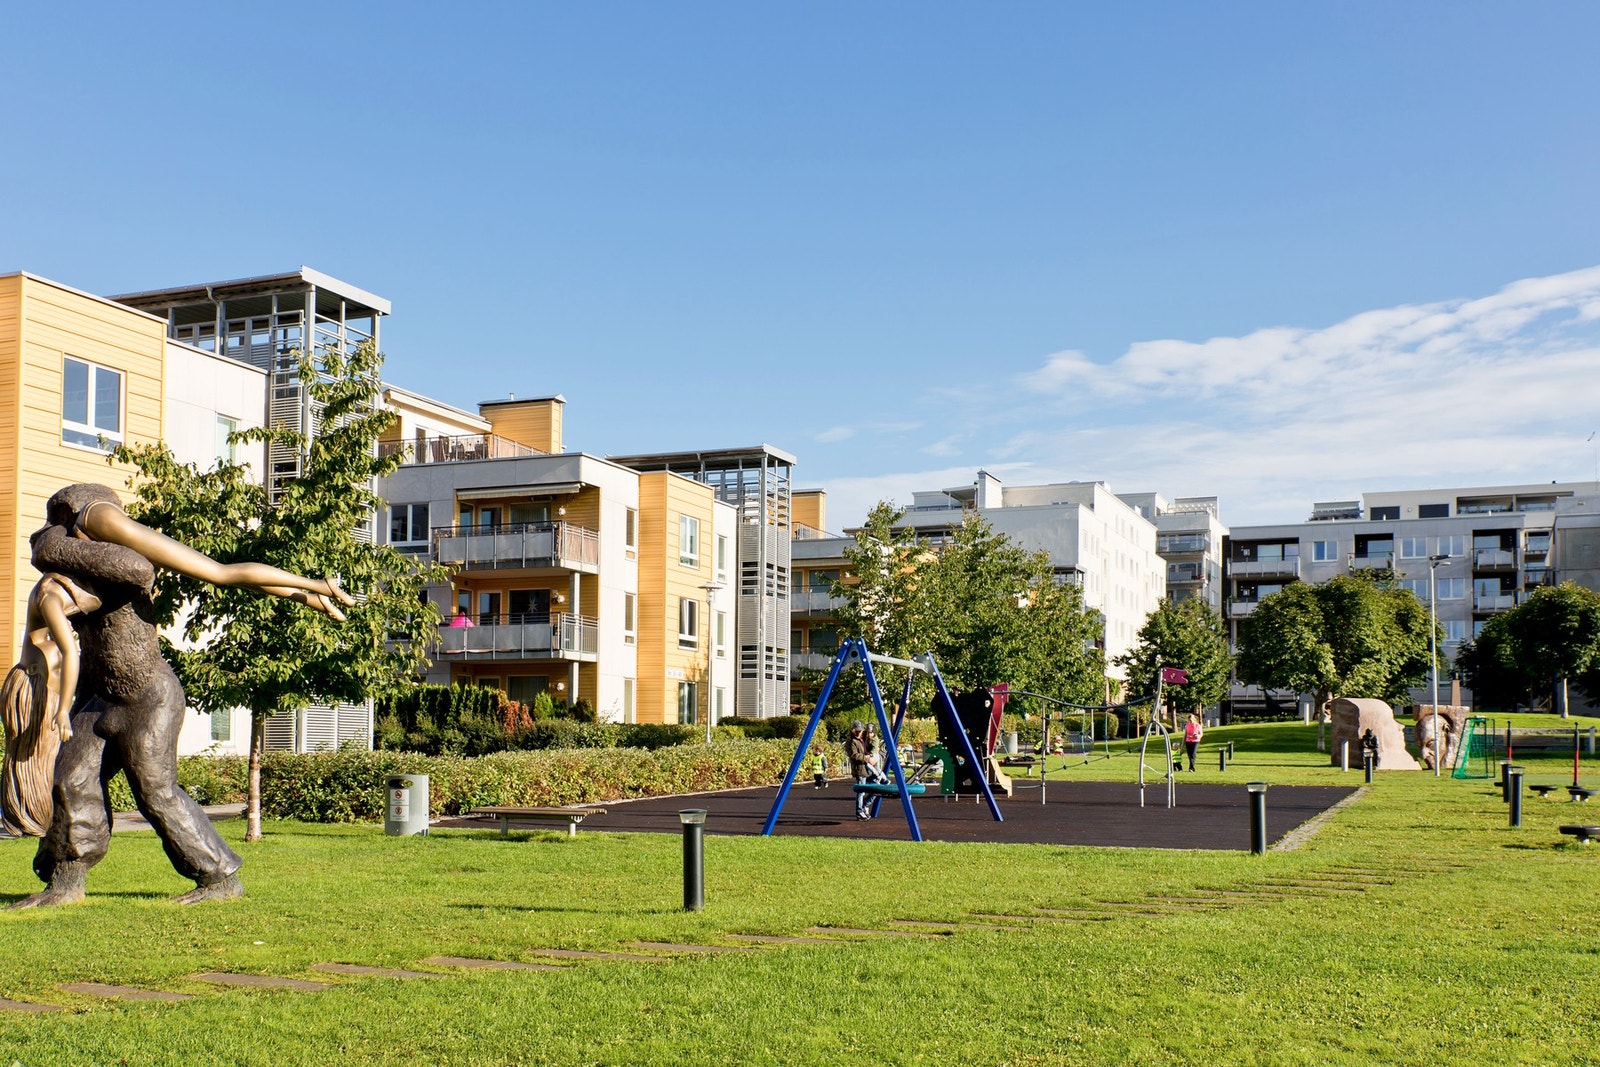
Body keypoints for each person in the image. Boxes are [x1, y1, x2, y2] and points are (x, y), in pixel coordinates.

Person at [7, 483, 351, 909]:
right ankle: (64, 882)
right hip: (100, 696)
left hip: (149, 695)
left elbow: (222, 573)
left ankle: (218, 876)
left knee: (154, 788)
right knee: (70, 780)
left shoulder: (100, 531)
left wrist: (311, 587)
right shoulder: (75, 567)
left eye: (57, 521)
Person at [845, 720, 875, 818]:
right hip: (860, 768)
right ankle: (859, 811)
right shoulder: (851, 741)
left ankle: (865, 805)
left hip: (867, 768)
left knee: (876, 787)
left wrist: (872, 739)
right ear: (852, 730)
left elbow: (869, 749)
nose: (859, 732)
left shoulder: (862, 739)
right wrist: (866, 758)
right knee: (861, 792)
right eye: (856, 731)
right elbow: (854, 755)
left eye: (860, 731)